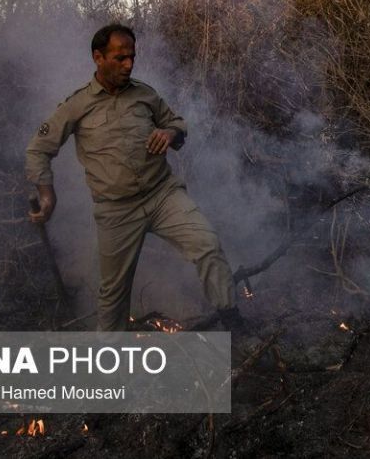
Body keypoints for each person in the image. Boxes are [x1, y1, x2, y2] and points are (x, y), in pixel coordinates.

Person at [25, 23, 241, 331]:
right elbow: (38, 149)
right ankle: (109, 361)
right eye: (120, 58)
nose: (128, 65)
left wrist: (169, 133)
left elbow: (177, 125)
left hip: (162, 195)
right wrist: (47, 193)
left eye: (132, 57)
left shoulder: (144, 94)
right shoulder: (76, 106)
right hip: (116, 210)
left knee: (208, 244)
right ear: (98, 58)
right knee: (113, 293)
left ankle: (233, 322)